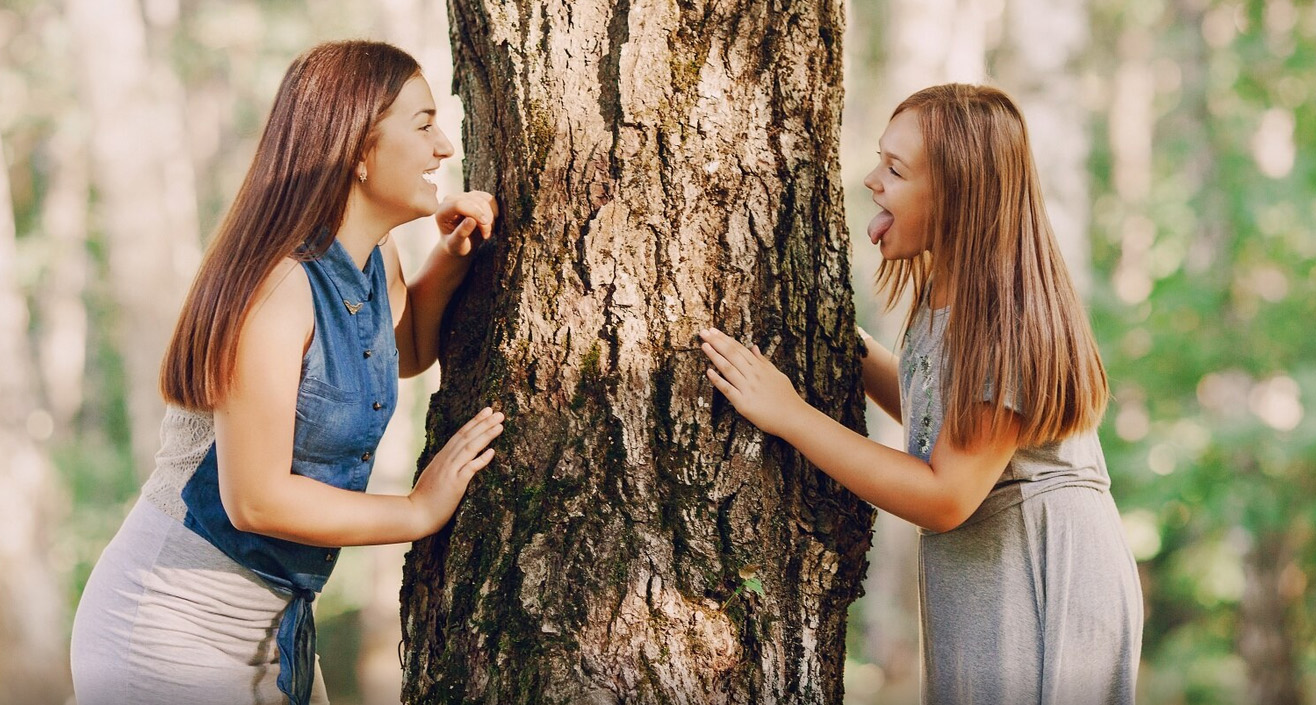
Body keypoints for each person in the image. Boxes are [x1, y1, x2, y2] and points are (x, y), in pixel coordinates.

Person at [70, 41, 505, 705]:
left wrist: (450, 257)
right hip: (168, 630)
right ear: (358, 148)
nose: (444, 146)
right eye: (422, 125)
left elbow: (405, 351)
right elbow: (255, 499)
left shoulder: (371, 258)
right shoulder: (278, 289)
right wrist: (417, 509)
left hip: (274, 627)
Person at [697, 84, 1142, 704]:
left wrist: (792, 417)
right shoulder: (951, 292)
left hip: (1042, 572)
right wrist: (835, 341)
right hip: (989, 568)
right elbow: (947, 425)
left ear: (958, 195)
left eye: (896, 169)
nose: (873, 180)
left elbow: (947, 494)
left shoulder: (1003, 317)